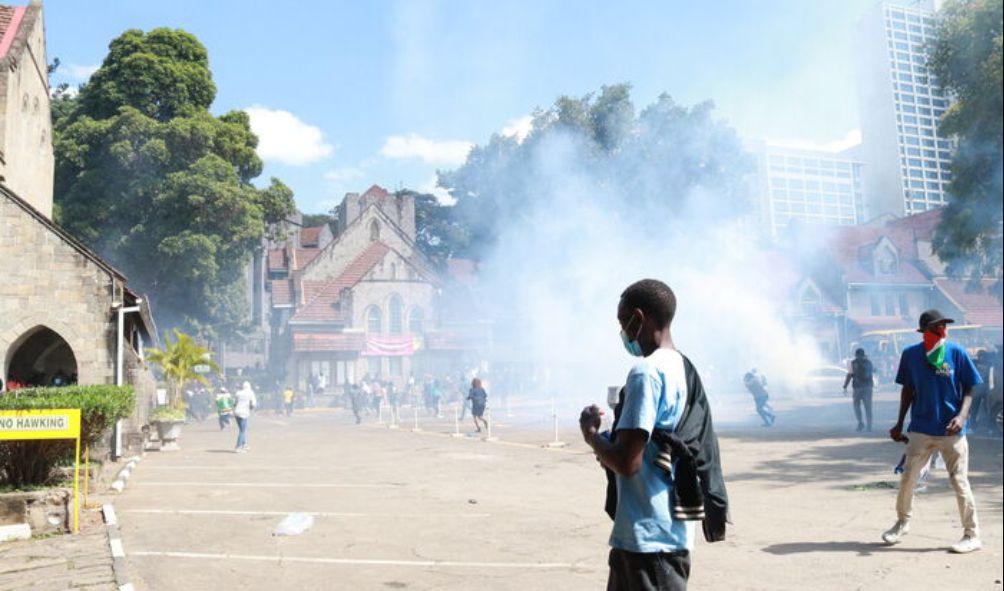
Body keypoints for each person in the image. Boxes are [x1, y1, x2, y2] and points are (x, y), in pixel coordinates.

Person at [579, 279, 697, 590]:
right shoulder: (682, 368)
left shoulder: (647, 372)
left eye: (622, 321)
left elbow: (627, 462)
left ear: (639, 318)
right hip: (667, 534)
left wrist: (592, 434)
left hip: (647, 541)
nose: (622, 332)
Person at [882, 309, 983, 554]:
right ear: (925, 330)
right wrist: (899, 423)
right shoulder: (911, 355)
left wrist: (962, 416)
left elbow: (970, 387)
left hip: (952, 431)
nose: (943, 330)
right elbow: (907, 391)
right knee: (908, 478)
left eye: (945, 325)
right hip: (920, 429)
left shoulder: (956, 352)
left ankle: (972, 535)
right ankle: (902, 522)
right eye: (938, 326)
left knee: (959, 481)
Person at [843, 348, 875, 432]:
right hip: (863, 387)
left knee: (863, 407)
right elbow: (849, 374)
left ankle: (865, 424)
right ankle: (865, 424)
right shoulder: (866, 362)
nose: (859, 357)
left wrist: (845, 386)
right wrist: (845, 386)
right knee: (862, 407)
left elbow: (849, 375)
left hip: (862, 388)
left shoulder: (857, 363)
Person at [233, 381, 257, 453]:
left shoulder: (238, 393)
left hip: (237, 413)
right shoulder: (250, 393)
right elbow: (253, 404)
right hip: (244, 413)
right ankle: (238, 447)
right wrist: (250, 408)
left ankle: (244, 444)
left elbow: (234, 403)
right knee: (242, 431)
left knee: (241, 430)